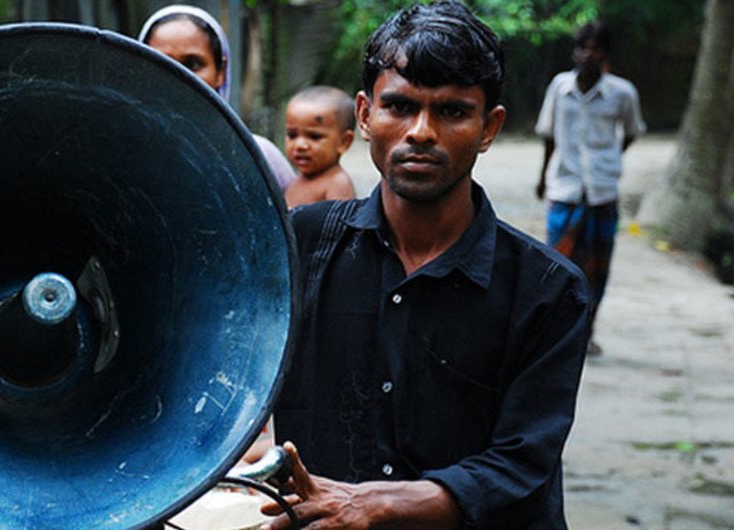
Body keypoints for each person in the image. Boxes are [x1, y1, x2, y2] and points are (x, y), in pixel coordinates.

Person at [265, 2, 591, 528]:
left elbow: (522, 465)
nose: (420, 131)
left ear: (490, 127)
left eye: (453, 111)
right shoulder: (297, 247)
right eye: (400, 106)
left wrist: (373, 504)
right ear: (366, 116)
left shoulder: (548, 290)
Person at [534, 21, 645, 355]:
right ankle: (553, 333)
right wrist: (542, 177)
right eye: (583, 47)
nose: (588, 54)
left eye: (595, 48)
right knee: (556, 262)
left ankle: (588, 331)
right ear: (575, 51)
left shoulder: (622, 94)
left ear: (605, 55)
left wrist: (607, 161)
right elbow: (549, 135)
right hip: (564, 189)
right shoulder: (560, 88)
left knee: (596, 267)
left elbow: (631, 130)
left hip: (602, 192)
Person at [138, 5, 297, 193]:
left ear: (220, 71)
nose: (177, 75)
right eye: (160, 63)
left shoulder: (258, 156)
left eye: (192, 64)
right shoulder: (123, 154)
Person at [283, 86, 357, 208]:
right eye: (292, 135)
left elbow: (341, 226)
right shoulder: (297, 180)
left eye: (314, 136)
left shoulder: (337, 183)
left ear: (344, 142)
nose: (300, 145)